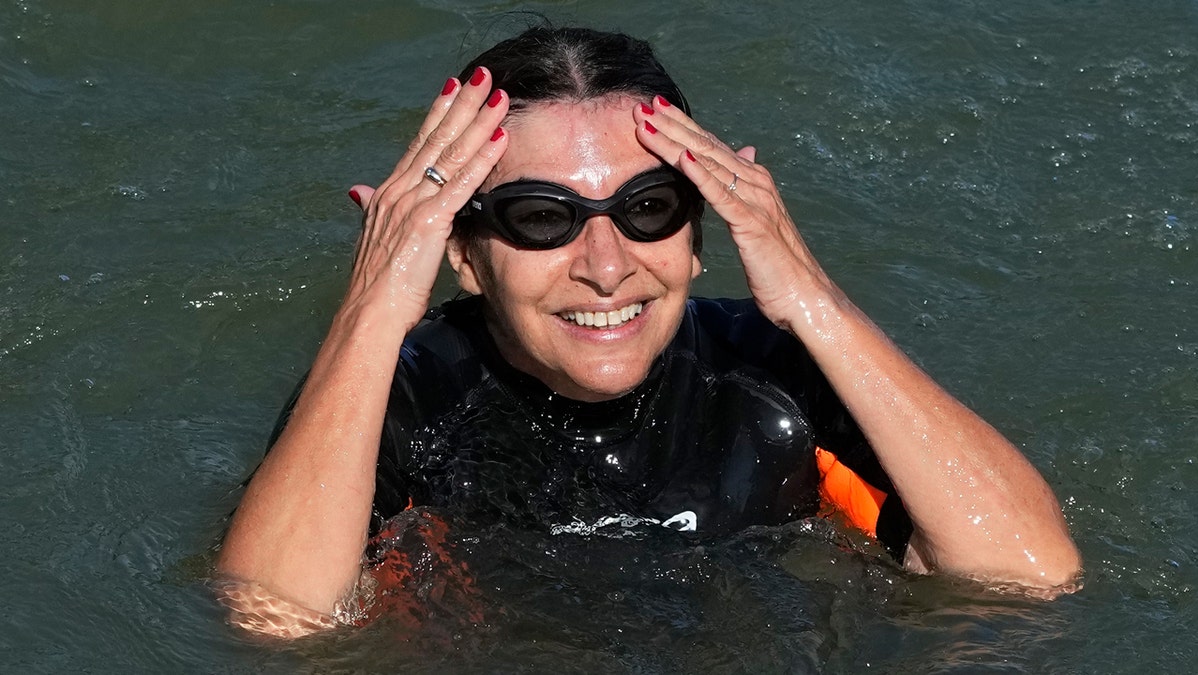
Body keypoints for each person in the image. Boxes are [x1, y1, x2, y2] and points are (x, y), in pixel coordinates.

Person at [216, 24, 1081, 633]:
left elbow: (1032, 576)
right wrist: (370, 314)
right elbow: (273, 619)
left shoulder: (771, 373)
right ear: (465, 255)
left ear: (700, 238)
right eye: (541, 216)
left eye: (648, 207)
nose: (607, 261)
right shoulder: (402, 385)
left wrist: (812, 298)